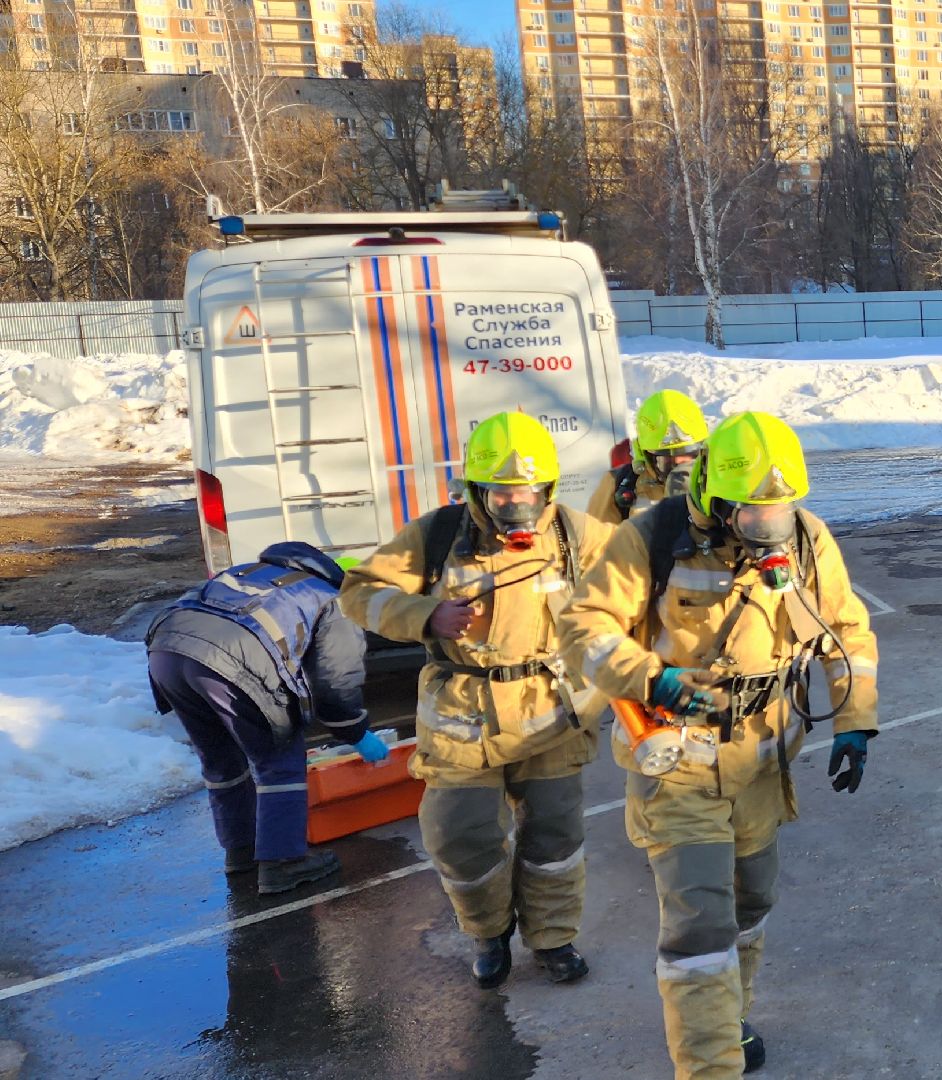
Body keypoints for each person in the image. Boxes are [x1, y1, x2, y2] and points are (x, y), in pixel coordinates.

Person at [560, 412, 881, 1078]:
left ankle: (722, 1014)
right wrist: (652, 678)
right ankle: (709, 1064)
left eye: (780, 512)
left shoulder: (808, 539)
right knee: (700, 925)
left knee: (750, 903)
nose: (770, 530)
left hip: (761, 765)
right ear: (714, 500)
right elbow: (582, 627)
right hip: (675, 763)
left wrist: (854, 718)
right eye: (755, 516)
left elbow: (845, 630)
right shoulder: (649, 537)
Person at [342, 411, 612, 988]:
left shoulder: (576, 533)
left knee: (556, 836)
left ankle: (553, 938)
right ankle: (489, 934)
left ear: (549, 488)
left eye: (530, 494)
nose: (519, 507)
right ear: (476, 492)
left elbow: (638, 578)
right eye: (504, 495)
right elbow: (359, 590)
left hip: (552, 710)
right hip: (464, 713)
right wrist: (424, 614)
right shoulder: (437, 535)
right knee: (460, 834)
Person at [146, 541, 384, 894]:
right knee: (279, 753)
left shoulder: (251, 572)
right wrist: (357, 733)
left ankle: (241, 850)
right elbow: (335, 685)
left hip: (166, 650)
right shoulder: (333, 599)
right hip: (229, 659)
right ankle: (283, 863)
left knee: (220, 757)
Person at [590, 389, 710, 524]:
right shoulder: (617, 484)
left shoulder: (720, 484)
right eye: (667, 462)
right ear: (645, 456)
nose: (680, 473)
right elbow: (597, 541)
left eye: (690, 459)